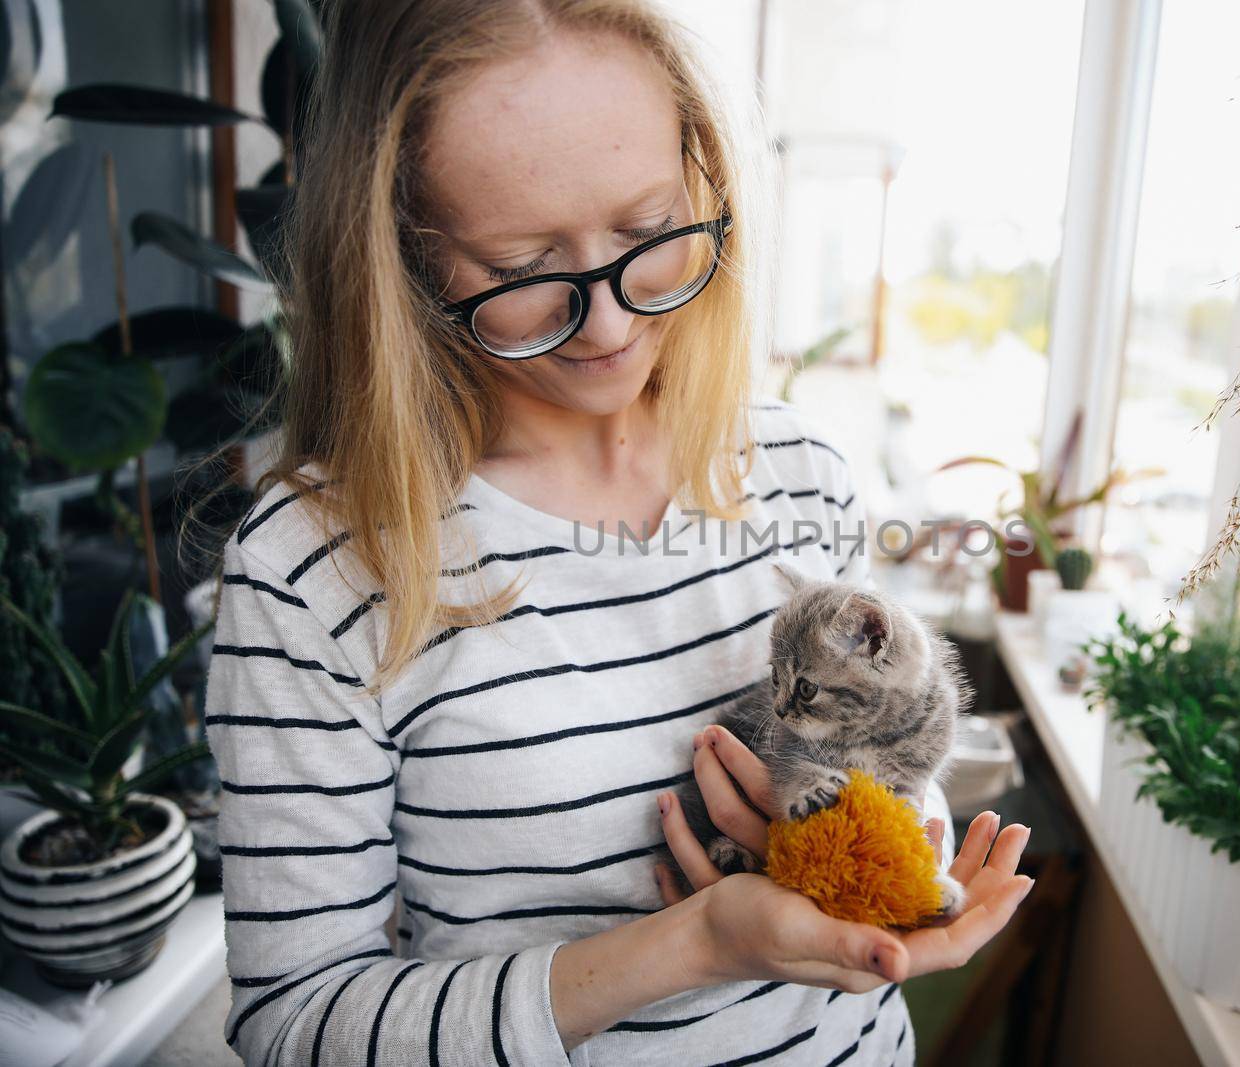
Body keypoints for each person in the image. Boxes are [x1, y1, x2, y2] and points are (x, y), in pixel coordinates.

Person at [205, 1, 1034, 1063]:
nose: (610, 325)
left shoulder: (801, 473)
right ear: (406, 254)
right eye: (522, 268)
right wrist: (693, 941)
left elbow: (886, 773)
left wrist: (872, 852)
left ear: (702, 176)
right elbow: (298, 1022)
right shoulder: (311, 569)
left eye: (649, 235)